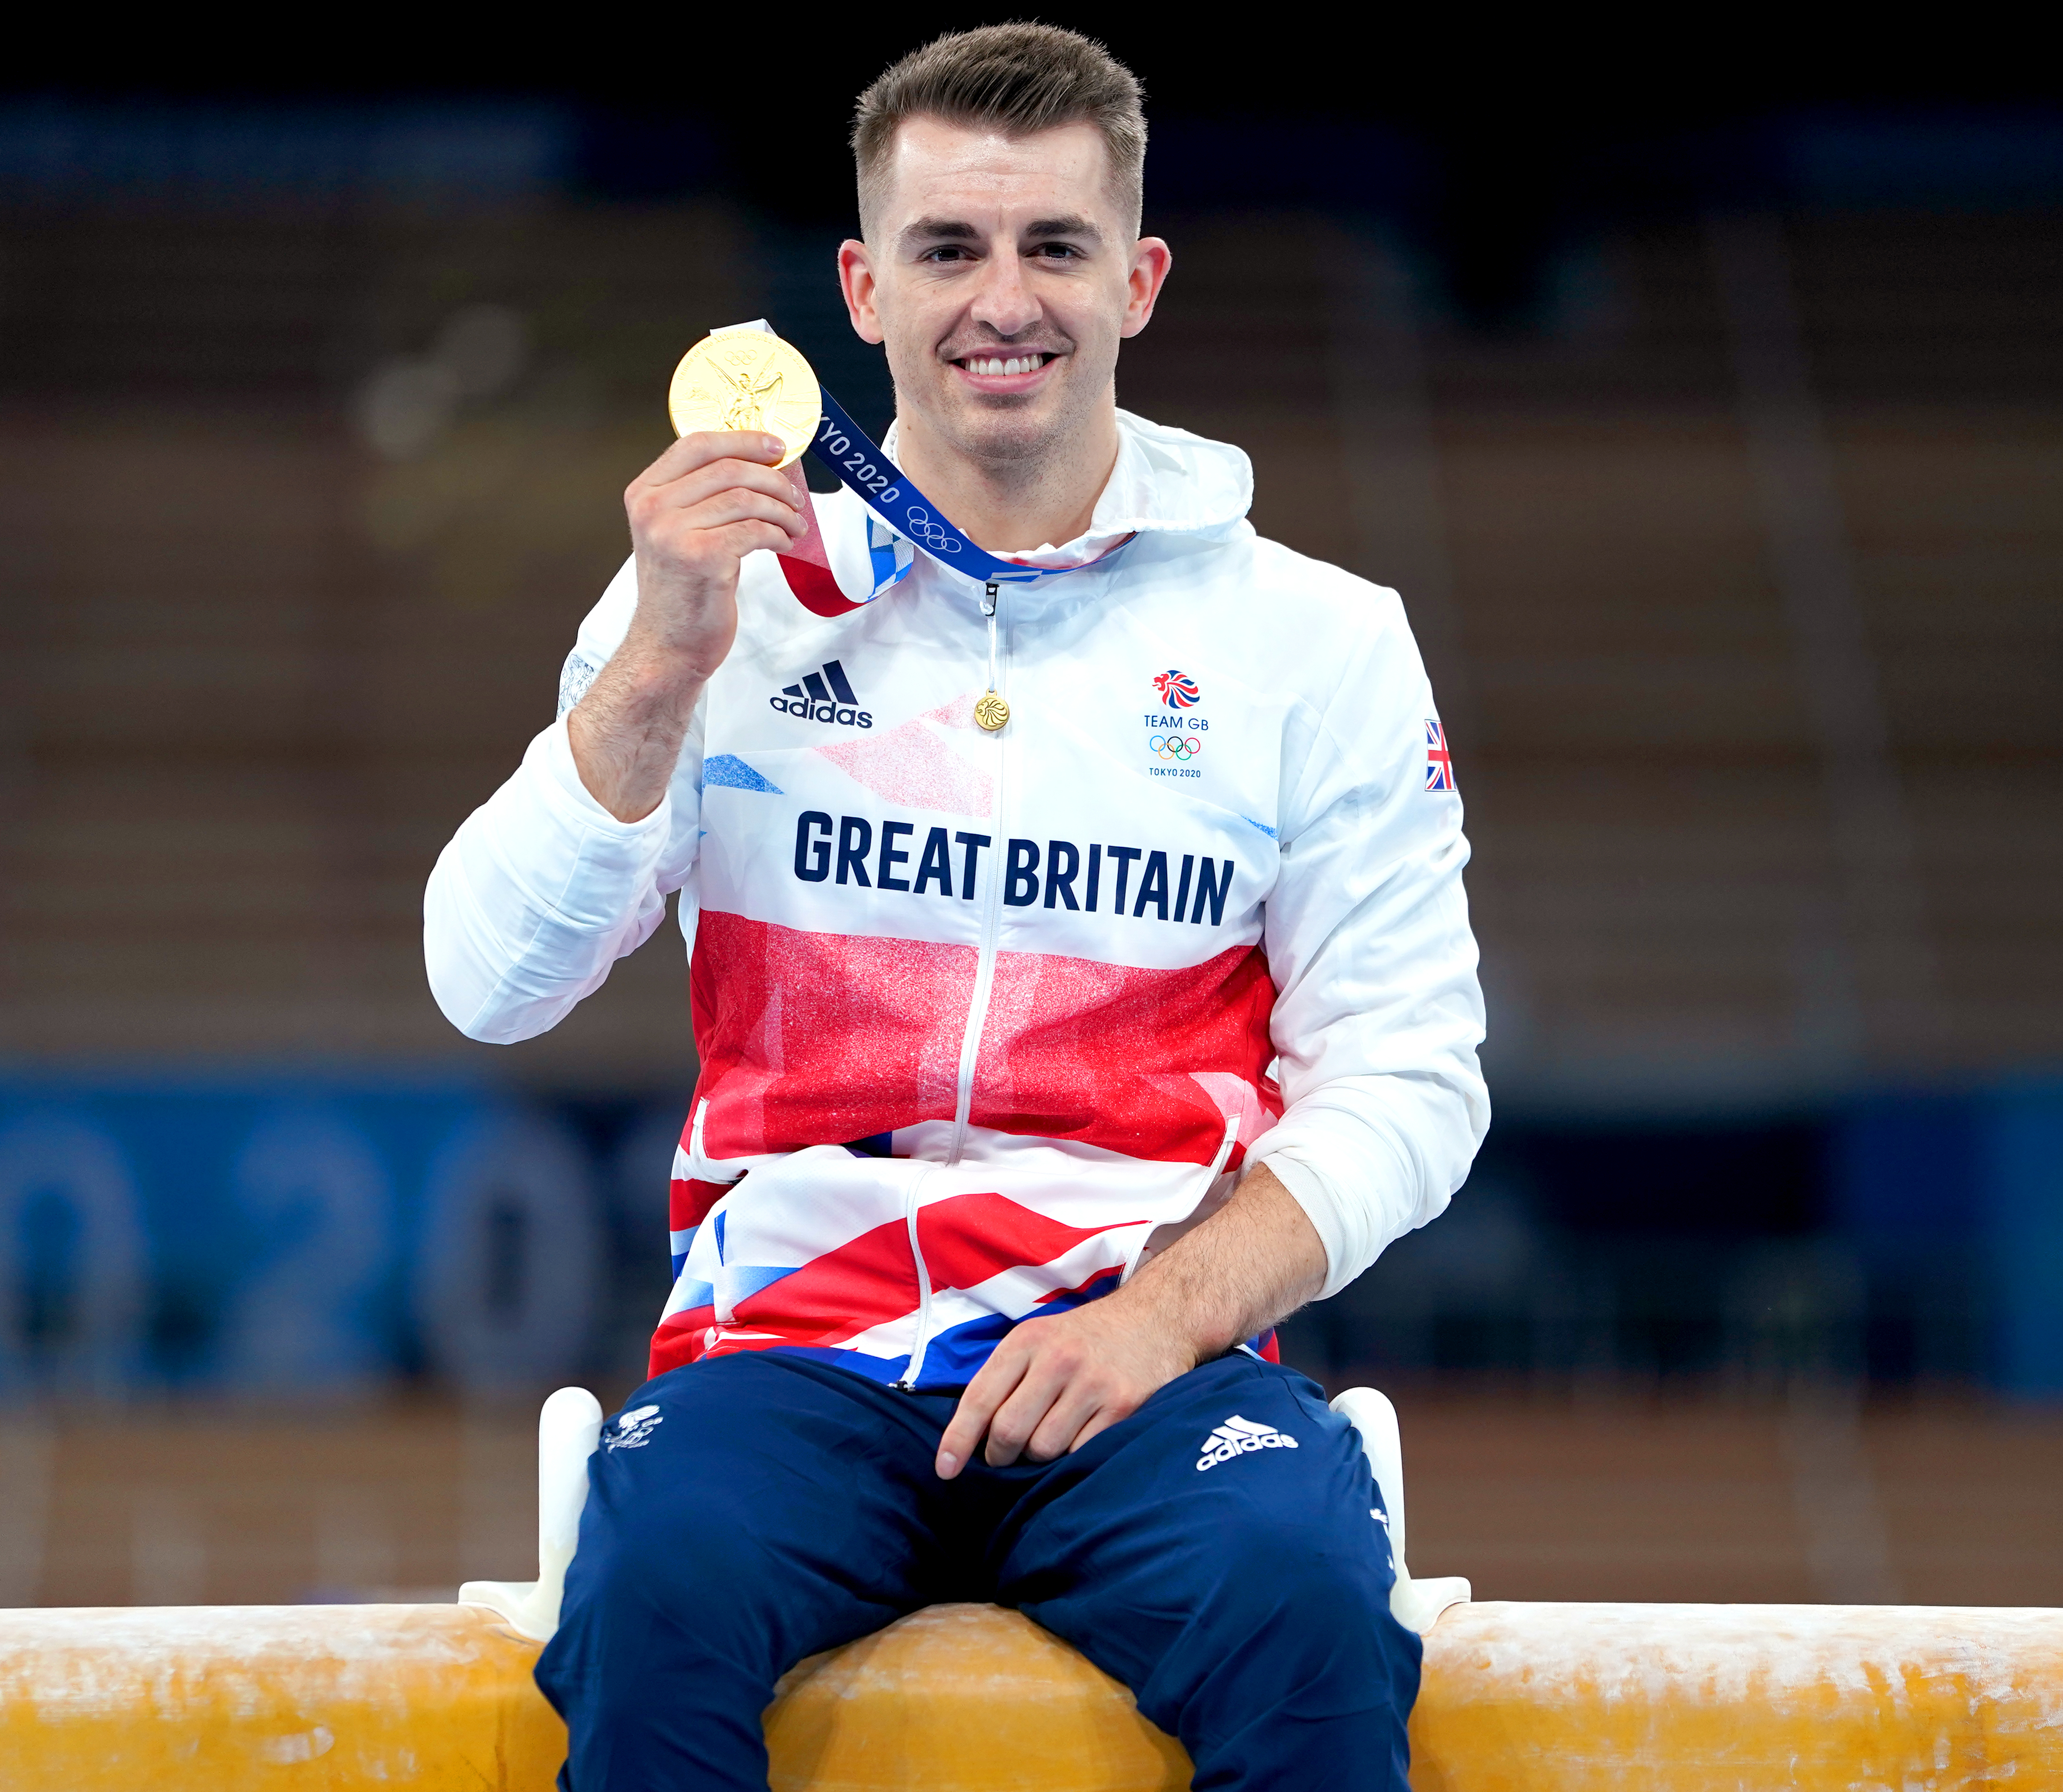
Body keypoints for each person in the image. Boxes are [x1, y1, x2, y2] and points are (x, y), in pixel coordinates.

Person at [424, 23, 1486, 1790]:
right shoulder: (718, 600)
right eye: (947, 249)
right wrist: (657, 666)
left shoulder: (1314, 640)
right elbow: (485, 984)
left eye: (1054, 245)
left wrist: (1161, 1316)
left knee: (1305, 1591)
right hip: (788, 1351)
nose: (1004, 301)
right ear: (863, 289)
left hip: (1143, 1358)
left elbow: (1412, 1076)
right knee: (656, 1586)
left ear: (1137, 280)